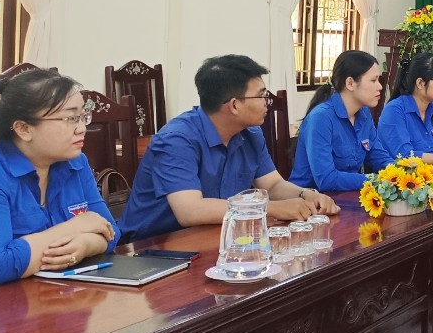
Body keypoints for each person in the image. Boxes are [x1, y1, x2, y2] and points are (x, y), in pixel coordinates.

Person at [120, 54, 338, 241]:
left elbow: (272, 185)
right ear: (234, 105)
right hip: (151, 248)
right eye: (261, 95)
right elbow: (190, 211)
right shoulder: (177, 140)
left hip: (216, 235)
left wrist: (305, 195)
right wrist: (271, 208)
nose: (267, 102)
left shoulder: (250, 134)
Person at [0, 70, 120, 290]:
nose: (82, 128)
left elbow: (111, 231)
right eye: (71, 118)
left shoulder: (74, 162)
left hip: (45, 290)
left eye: (83, 115)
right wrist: (74, 227)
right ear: (23, 129)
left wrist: (87, 244)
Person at [290, 50, 394, 193]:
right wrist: (378, 180)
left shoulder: (364, 113)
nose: (380, 86)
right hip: (310, 199)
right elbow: (327, 180)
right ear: (350, 83)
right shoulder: (321, 118)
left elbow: (378, 156)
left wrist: (401, 174)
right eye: (373, 80)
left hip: (346, 196)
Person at [376, 52, 433, 167]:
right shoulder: (394, 110)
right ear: (420, 83)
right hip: (398, 176)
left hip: (427, 175)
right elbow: (406, 157)